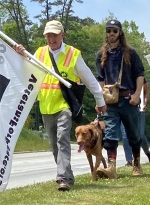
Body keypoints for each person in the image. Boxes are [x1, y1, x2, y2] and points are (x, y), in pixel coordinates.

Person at [14, 20, 106, 191]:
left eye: (55, 35)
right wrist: (22, 56)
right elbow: (28, 72)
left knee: (62, 138)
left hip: (64, 106)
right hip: (46, 106)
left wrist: (100, 101)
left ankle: (62, 178)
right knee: (54, 145)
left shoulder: (73, 54)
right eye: (48, 35)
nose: (51, 39)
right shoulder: (40, 53)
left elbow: (89, 79)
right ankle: (68, 175)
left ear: (62, 35)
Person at [96, 20, 147, 175]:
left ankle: (136, 164)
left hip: (128, 98)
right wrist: (99, 99)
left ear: (120, 33)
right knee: (110, 133)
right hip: (110, 101)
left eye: (114, 31)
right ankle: (111, 167)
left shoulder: (130, 53)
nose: (111, 33)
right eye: (109, 30)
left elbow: (140, 75)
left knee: (133, 134)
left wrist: (138, 95)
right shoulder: (100, 55)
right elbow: (100, 79)